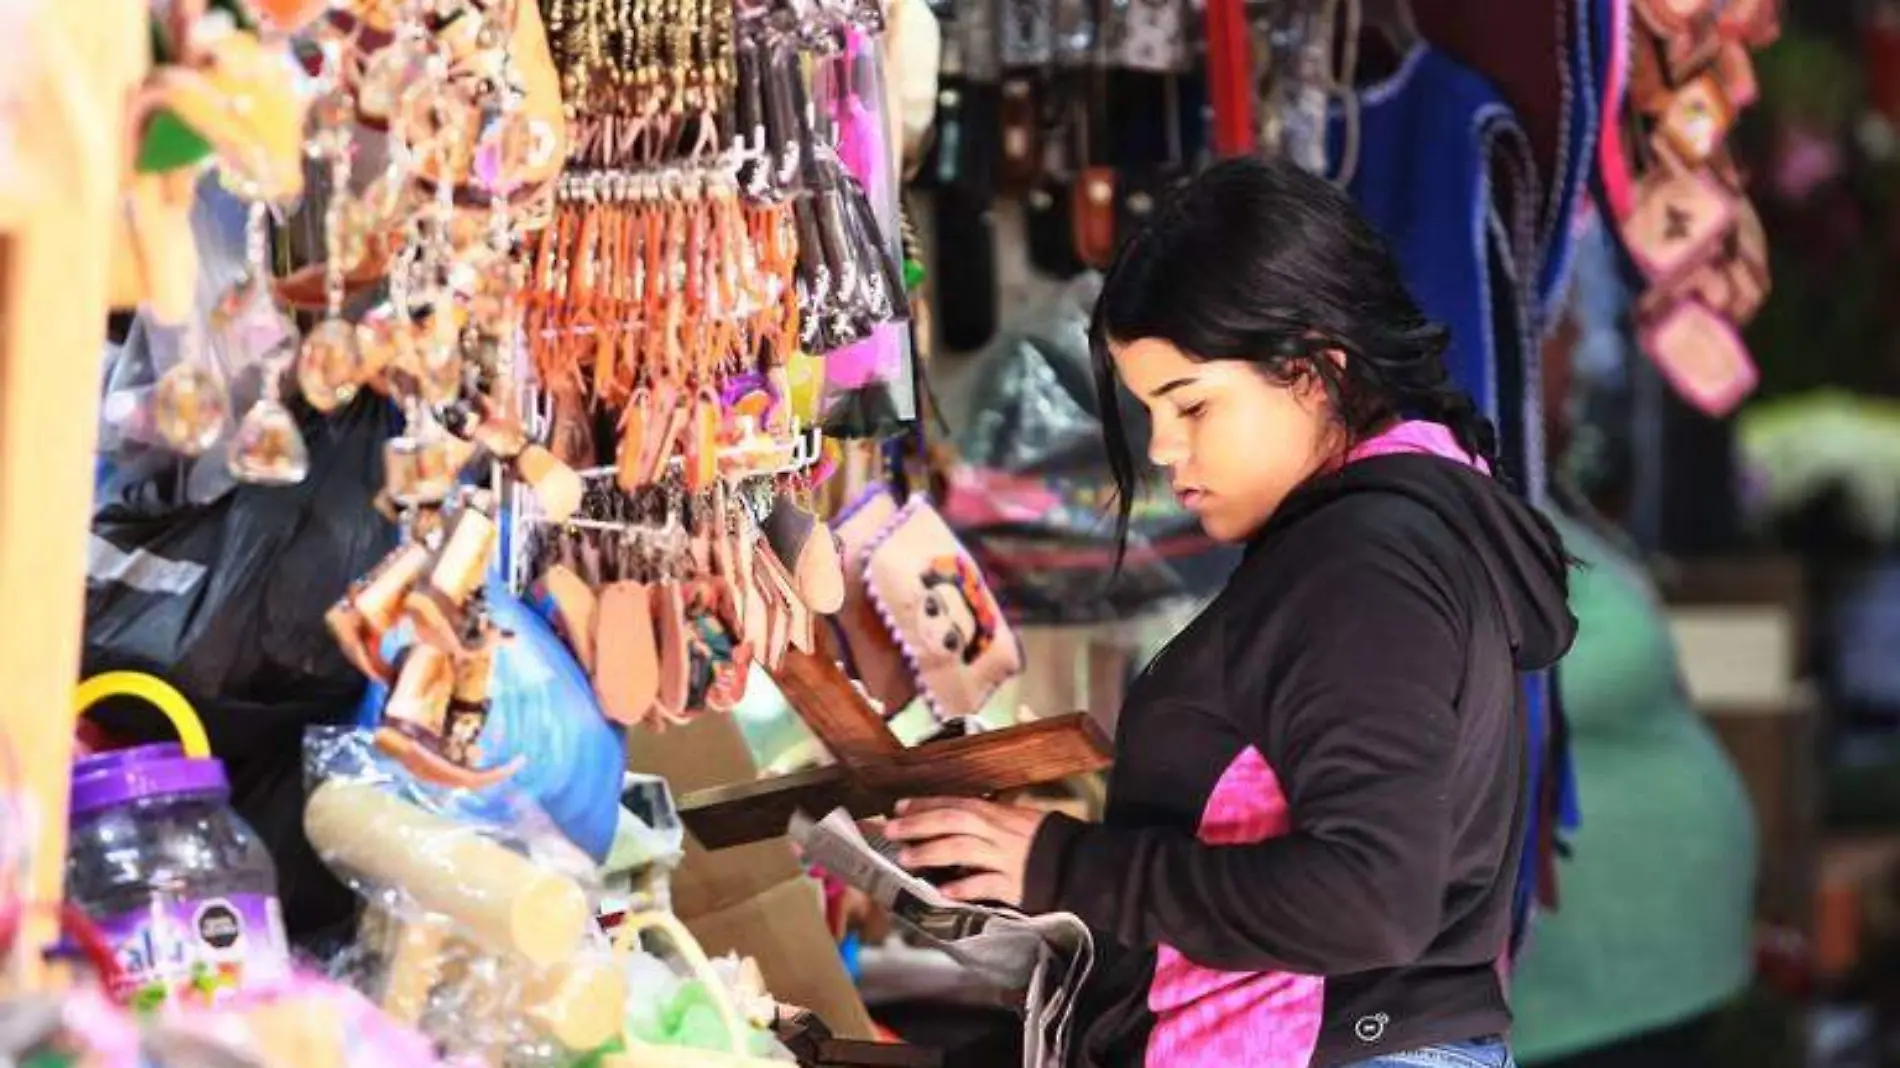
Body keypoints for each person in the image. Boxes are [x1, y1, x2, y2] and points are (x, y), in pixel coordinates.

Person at [885, 155, 1577, 1068]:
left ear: (1315, 371)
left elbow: (1369, 897)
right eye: (1150, 411)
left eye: (1192, 404)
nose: (1166, 449)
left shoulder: (1370, 563)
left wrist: (1058, 865)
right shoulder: (1378, 541)